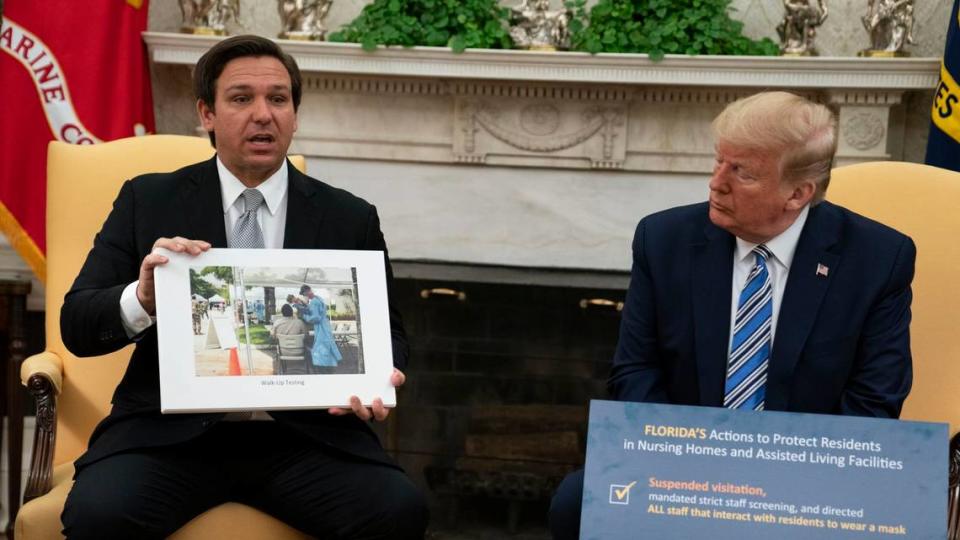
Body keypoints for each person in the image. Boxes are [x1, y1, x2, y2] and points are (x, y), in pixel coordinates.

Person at [59, 35, 427, 539]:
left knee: (398, 510)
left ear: (295, 115)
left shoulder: (349, 217)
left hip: (306, 438)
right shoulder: (149, 199)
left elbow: (389, 332)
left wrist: (379, 378)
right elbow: (77, 326)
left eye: (278, 99)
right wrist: (142, 298)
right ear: (206, 113)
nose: (263, 114)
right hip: (170, 438)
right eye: (241, 98)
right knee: (101, 514)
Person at [548, 91, 915, 539]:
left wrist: (774, 484)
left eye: (741, 172)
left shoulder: (878, 258)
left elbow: (875, 400)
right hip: (681, 466)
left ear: (798, 193)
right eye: (718, 161)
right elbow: (635, 372)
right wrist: (693, 472)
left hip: (810, 479)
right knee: (574, 502)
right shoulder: (663, 240)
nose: (716, 183)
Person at [300, 284, 342, 371]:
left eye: (304, 295)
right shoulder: (319, 298)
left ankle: (323, 368)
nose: (305, 297)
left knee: (320, 347)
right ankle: (329, 366)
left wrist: (304, 315)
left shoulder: (314, 302)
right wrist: (307, 307)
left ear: (306, 292)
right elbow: (317, 312)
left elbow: (315, 318)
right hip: (325, 325)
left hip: (320, 327)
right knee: (326, 345)